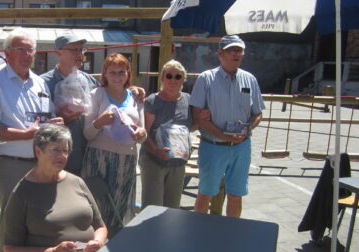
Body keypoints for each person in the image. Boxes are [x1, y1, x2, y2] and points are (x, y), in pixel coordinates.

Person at [0, 28, 64, 252]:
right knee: (10, 220)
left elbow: (45, 118)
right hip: (10, 162)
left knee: (35, 219)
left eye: (30, 49)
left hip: (39, 163)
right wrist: (27, 134)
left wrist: (55, 123)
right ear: (7, 53)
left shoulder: (39, 83)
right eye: (20, 49)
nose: (26, 54)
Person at [2, 124, 107, 252]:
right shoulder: (22, 193)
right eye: (55, 150)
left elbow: (100, 226)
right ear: (38, 151)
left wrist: (97, 242)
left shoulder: (76, 182)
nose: (62, 156)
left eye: (65, 150)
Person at [41, 32, 146, 176]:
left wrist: (131, 90)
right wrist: (61, 118)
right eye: (74, 50)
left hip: (88, 157)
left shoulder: (89, 81)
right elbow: (38, 123)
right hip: (57, 159)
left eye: (82, 49)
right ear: (58, 53)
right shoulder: (44, 83)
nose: (80, 54)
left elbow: (112, 91)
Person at [190, 35, 265, 218]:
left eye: (239, 50)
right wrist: (223, 135)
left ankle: (232, 233)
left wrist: (247, 129)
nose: (236, 54)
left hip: (241, 147)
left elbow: (258, 113)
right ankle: (196, 232)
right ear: (220, 53)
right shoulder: (205, 79)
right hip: (213, 146)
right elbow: (198, 117)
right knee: (205, 194)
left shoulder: (250, 80)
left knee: (236, 195)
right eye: (231, 50)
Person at [82, 53, 147, 236]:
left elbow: (142, 134)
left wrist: (142, 133)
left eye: (121, 72)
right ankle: (93, 249)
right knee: (97, 206)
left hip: (126, 160)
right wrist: (99, 122)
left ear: (128, 74)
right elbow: (87, 133)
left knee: (120, 207)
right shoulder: (97, 95)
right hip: (99, 158)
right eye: (112, 72)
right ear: (105, 74)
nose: (117, 76)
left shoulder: (136, 97)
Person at [139, 59, 197, 209]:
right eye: (169, 76)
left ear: (183, 80)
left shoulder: (188, 100)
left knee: (172, 209)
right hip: (154, 161)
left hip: (178, 163)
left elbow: (192, 126)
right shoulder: (152, 101)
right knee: (152, 208)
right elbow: (144, 134)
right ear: (162, 78)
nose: (173, 80)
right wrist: (157, 152)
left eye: (178, 76)